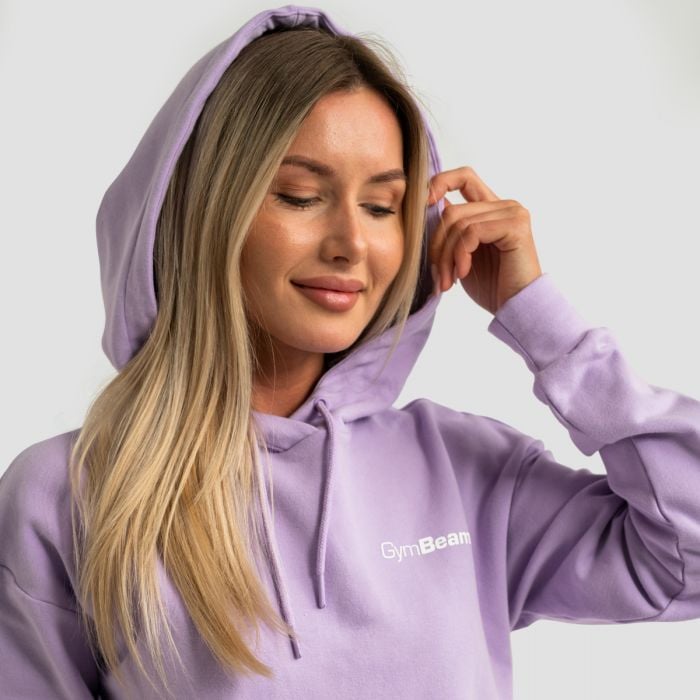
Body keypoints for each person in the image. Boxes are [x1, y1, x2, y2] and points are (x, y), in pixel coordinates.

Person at [1, 4, 699, 699]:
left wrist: (542, 320)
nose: (352, 244)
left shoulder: (464, 473)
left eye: (381, 207)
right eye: (301, 196)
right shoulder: (72, 494)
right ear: (207, 209)